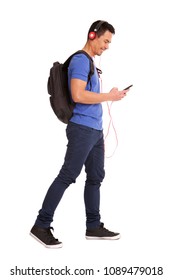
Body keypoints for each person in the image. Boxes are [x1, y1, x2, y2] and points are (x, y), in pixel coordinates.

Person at [30, 20, 129, 248]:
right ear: (92, 36)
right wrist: (109, 96)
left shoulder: (92, 64)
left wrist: (109, 96)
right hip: (82, 128)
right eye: (105, 41)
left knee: (96, 177)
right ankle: (41, 225)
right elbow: (77, 95)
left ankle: (93, 226)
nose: (107, 46)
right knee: (68, 175)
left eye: (109, 42)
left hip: (94, 130)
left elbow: (89, 94)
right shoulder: (80, 61)